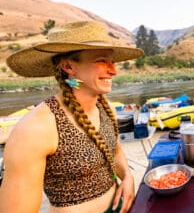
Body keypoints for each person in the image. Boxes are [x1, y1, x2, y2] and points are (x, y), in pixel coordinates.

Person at [0, 21, 144, 212]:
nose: (113, 70)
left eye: (113, 62)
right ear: (68, 66)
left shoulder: (106, 106)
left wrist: (127, 177)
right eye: (102, 60)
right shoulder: (36, 127)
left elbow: (116, 152)